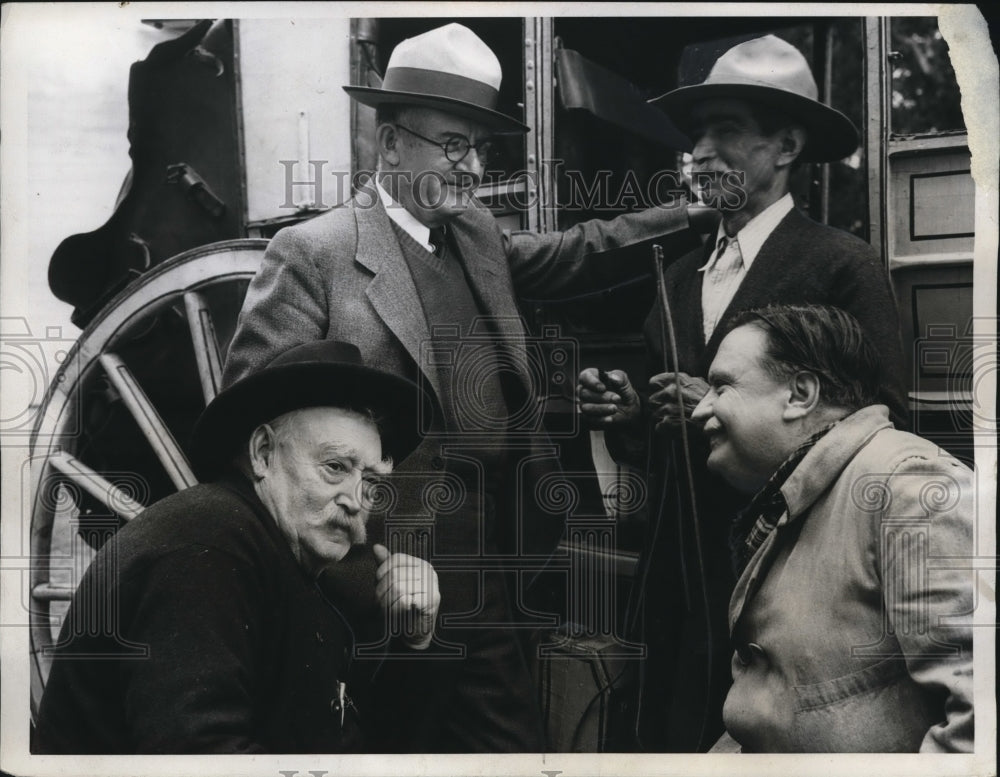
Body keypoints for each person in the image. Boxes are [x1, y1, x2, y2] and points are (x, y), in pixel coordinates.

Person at [222, 23, 710, 752]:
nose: (473, 166)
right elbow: (253, 429)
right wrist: (357, 570)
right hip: (388, 561)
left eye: (479, 147)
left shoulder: (476, 234)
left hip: (504, 554)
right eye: (454, 144)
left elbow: (581, 252)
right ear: (390, 145)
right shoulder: (314, 253)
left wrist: (697, 209)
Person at [577, 35, 908, 750]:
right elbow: (665, 437)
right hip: (671, 587)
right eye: (696, 134)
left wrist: (731, 408)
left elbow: (884, 429)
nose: (700, 151)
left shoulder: (839, 267)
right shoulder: (678, 279)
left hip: (782, 582)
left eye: (724, 130)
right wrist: (632, 412)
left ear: (785, 146)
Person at [34, 341, 440, 754]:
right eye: (335, 468)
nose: (356, 499)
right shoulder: (203, 550)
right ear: (263, 453)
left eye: (370, 483)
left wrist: (416, 641)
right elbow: (200, 756)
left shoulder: (280, 555)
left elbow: (353, 748)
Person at [691, 304, 973, 752]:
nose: (698, 410)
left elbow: (982, 717)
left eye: (722, 386)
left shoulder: (906, 485)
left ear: (800, 394)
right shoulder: (803, 489)